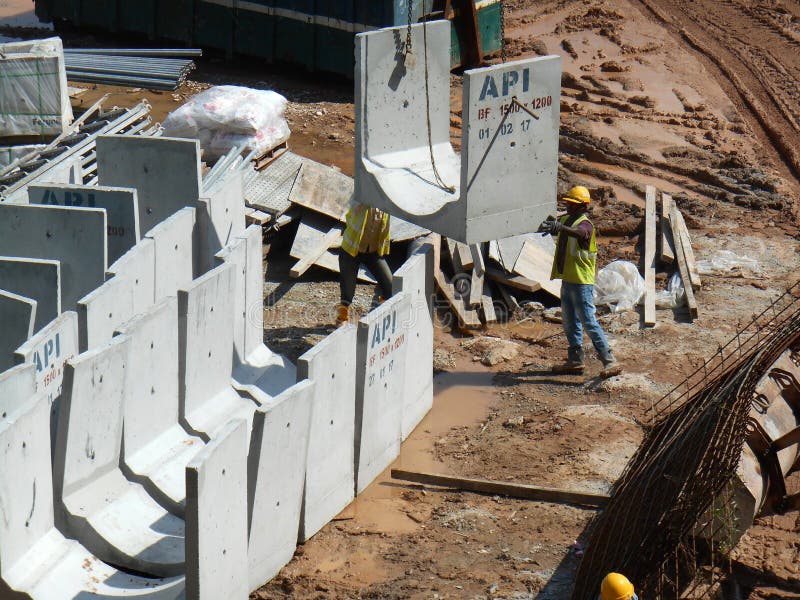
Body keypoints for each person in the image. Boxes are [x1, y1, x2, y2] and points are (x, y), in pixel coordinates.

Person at [537, 185, 621, 377]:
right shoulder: (566, 219)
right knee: (569, 321)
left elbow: (579, 233)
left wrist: (561, 228)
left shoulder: (586, 225)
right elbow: (559, 226)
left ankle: (609, 360)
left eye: (573, 204)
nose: (568, 206)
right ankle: (575, 360)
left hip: (582, 282)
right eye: (568, 203)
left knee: (588, 321)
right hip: (568, 279)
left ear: (583, 206)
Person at [336, 203, 394, 325]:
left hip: (372, 252)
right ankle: (342, 318)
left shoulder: (384, 205)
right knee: (348, 291)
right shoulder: (361, 198)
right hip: (350, 251)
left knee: (390, 286)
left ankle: (380, 315)